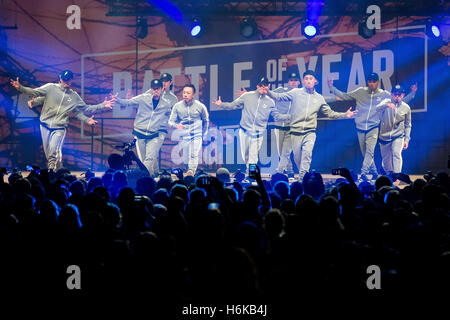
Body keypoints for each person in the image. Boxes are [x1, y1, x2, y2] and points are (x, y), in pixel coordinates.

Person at [10, 70, 116, 170]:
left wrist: (102, 105)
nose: (67, 81)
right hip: (45, 125)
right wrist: (20, 88)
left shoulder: (74, 96)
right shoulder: (50, 87)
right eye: (65, 79)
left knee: (53, 152)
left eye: (69, 79)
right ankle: (60, 169)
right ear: (60, 79)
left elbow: (85, 108)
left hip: (59, 128)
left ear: (72, 80)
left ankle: (51, 172)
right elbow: (34, 92)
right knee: (49, 153)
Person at [266, 70, 358, 181]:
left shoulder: (319, 98)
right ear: (303, 81)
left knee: (307, 155)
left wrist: (345, 115)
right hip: (295, 132)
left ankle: (302, 179)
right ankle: (303, 175)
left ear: (315, 81)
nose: (308, 81)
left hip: (310, 132)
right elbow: (279, 96)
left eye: (311, 78)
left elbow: (330, 113)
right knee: (297, 158)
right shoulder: (296, 92)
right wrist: (268, 91)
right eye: (306, 78)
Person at [327, 73, 417, 180]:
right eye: (370, 81)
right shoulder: (360, 91)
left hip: (373, 127)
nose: (372, 84)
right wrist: (331, 87)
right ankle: (374, 172)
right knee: (365, 153)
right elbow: (344, 95)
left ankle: (363, 174)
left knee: (370, 152)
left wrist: (412, 94)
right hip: (360, 126)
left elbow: (399, 101)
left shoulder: (384, 94)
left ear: (378, 82)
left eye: (374, 81)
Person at [212, 77, 290, 175]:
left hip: (258, 133)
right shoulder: (247, 96)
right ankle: (248, 169)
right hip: (244, 130)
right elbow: (233, 105)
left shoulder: (270, 101)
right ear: (257, 86)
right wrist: (221, 104)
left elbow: (277, 116)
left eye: (265, 85)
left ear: (268, 86)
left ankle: (251, 174)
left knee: (253, 156)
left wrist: (290, 116)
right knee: (246, 155)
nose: (263, 87)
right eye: (260, 85)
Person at [115, 79, 172, 177]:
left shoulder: (166, 104)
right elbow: (128, 102)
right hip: (139, 133)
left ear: (162, 89)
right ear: (150, 89)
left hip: (153, 135)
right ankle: (149, 175)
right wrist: (117, 100)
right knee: (142, 159)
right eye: (154, 89)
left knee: (150, 158)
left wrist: (167, 124)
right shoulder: (143, 98)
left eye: (157, 89)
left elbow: (171, 115)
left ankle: (146, 177)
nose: (156, 91)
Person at [168, 84, 209, 175]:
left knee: (193, 154)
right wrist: (176, 125)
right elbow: (170, 121)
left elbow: (205, 120)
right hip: (183, 134)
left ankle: (191, 171)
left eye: (188, 93)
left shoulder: (200, 106)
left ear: (193, 95)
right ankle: (188, 171)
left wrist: (204, 134)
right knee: (185, 156)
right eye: (184, 93)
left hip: (197, 134)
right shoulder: (177, 106)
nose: (185, 95)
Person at [375, 84, 411, 175]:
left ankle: (397, 175)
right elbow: (376, 108)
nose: (397, 97)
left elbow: (408, 125)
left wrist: (406, 139)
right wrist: (387, 105)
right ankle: (389, 174)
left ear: (403, 95)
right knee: (386, 159)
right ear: (391, 94)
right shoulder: (386, 102)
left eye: (400, 94)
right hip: (384, 136)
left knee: (396, 154)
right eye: (395, 94)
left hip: (398, 136)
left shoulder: (406, 108)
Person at [272, 72, 300, 177]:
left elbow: (318, 98)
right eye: (291, 80)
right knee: (281, 152)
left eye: (295, 80)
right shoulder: (280, 90)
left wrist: (335, 98)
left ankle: (279, 172)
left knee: (286, 152)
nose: (293, 82)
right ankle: (290, 170)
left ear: (298, 82)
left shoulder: (302, 94)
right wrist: (251, 94)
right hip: (278, 126)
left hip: (292, 127)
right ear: (288, 82)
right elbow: (266, 93)